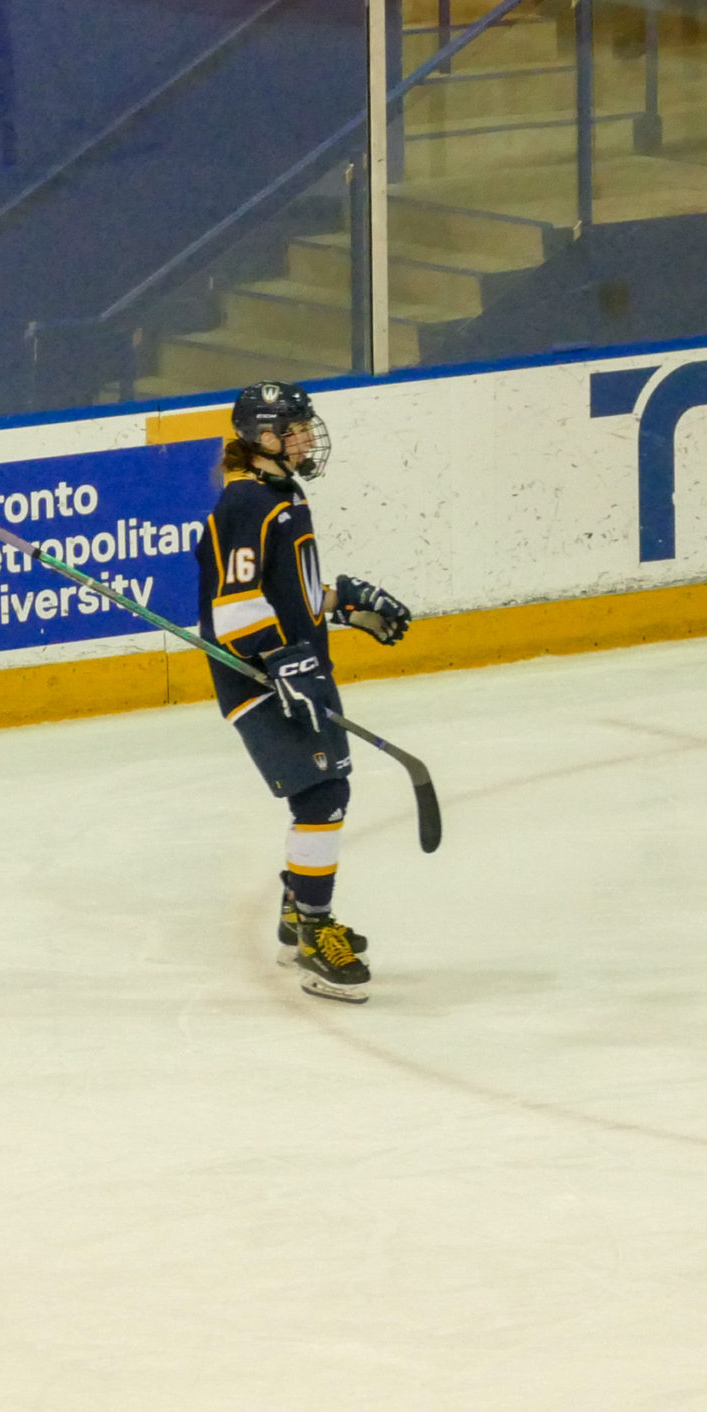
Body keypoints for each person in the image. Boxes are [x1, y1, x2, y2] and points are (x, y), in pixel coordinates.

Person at [197, 382, 414, 1003]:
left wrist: (338, 604)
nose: (305, 438)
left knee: (328, 791)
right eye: (292, 428)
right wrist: (279, 660)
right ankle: (314, 932)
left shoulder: (280, 495)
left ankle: (299, 910)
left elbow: (288, 594)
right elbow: (234, 610)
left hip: (296, 672)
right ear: (263, 438)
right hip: (262, 680)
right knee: (322, 796)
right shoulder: (244, 503)